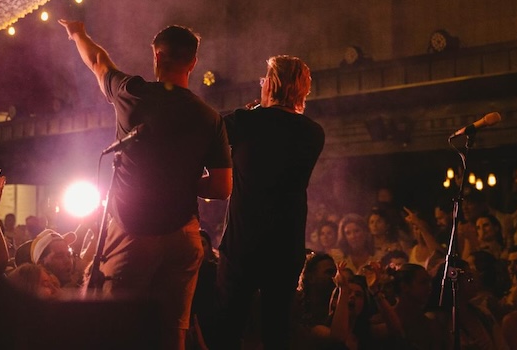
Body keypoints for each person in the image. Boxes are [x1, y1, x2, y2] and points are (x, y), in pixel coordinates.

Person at [58, 19, 232, 350]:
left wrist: (77, 33)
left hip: (132, 232)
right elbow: (223, 188)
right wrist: (184, 181)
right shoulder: (210, 117)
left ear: (156, 55)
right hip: (184, 238)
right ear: (193, 62)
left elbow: (97, 61)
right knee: (173, 334)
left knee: (117, 326)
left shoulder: (132, 92)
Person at [212, 54, 325, 350]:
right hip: (286, 246)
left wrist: (254, 111)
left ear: (270, 84)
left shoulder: (244, 121)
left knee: (227, 329)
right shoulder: (313, 133)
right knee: (277, 333)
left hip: (243, 243)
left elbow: (212, 136)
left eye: (264, 80)